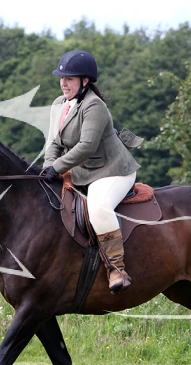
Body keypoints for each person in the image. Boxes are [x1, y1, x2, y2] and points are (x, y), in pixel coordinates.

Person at [41, 50, 141, 293]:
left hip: (112, 171)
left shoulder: (94, 105)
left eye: (70, 79)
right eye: (61, 78)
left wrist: (57, 167)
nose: (63, 83)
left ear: (85, 81)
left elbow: (86, 146)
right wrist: (47, 167)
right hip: (82, 170)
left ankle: (117, 268)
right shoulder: (59, 104)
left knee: (98, 208)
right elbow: (53, 142)